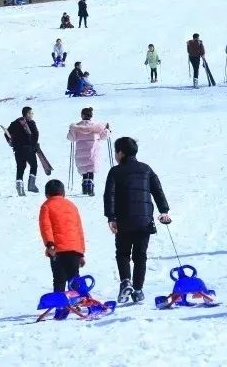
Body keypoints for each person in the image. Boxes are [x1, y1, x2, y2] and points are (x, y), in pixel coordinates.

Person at [103, 137, 171, 304]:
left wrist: (111, 217)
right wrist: (164, 211)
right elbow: (157, 190)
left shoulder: (115, 171)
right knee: (140, 256)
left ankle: (126, 281)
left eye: (116, 151)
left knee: (123, 253)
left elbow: (109, 196)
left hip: (123, 220)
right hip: (144, 220)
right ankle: (138, 290)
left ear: (121, 153)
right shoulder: (146, 169)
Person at [39, 179, 86, 292]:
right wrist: (81, 252)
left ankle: (60, 305)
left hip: (57, 250)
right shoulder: (72, 206)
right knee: (74, 277)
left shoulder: (46, 206)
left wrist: (49, 244)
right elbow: (79, 229)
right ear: (63, 193)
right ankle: (76, 301)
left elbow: (45, 226)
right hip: (74, 250)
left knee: (59, 279)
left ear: (46, 194)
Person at [68, 107, 111, 196]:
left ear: (82, 115)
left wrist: (70, 131)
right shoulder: (97, 127)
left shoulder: (76, 127)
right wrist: (107, 130)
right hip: (93, 152)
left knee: (84, 168)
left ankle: (84, 185)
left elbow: (71, 138)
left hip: (81, 152)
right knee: (91, 168)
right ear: (91, 116)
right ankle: (90, 186)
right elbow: (103, 136)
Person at [5, 107, 40, 196]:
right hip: (28, 148)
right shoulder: (31, 123)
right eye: (31, 113)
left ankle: (19, 188)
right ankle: (31, 185)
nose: (32, 115)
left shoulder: (15, 123)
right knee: (34, 165)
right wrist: (34, 145)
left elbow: (6, 133)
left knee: (20, 167)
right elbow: (35, 134)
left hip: (18, 149)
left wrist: (11, 142)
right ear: (27, 114)